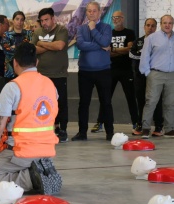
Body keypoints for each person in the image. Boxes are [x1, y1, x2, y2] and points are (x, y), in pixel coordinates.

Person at [0, 42, 62, 195]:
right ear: (37, 62)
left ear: (15, 63)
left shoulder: (13, 87)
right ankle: (36, 171)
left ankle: (29, 178)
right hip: (45, 151)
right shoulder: (51, 85)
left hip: (19, 153)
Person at [72, 1, 114, 141]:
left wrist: (93, 29)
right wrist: (101, 45)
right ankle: (82, 132)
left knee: (106, 102)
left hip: (103, 71)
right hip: (85, 71)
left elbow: (105, 42)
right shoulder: (80, 28)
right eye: (89, 11)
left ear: (100, 12)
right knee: (84, 103)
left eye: (94, 11)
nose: (91, 13)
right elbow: (81, 45)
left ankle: (110, 132)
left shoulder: (107, 27)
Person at [91, 11, 138, 135]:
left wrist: (115, 50)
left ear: (123, 18)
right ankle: (100, 122)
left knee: (131, 97)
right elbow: (107, 52)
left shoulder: (129, 33)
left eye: (118, 17)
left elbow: (130, 49)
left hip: (126, 70)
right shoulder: (109, 33)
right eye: (114, 17)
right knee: (105, 97)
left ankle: (136, 123)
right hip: (110, 69)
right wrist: (121, 50)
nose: (115, 19)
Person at [31, 8, 69, 143]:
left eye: (46, 20)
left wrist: (41, 43)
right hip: (41, 75)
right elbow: (33, 49)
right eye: (41, 21)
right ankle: (45, 128)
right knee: (42, 103)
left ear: (53, 19)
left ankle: (62, 129)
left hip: (59, 74)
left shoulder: (61, 30)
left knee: (61, 103)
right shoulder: (38, 32)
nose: (44, 23)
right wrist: (48, 46)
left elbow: (59, 46)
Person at [139, 15, 174, 138]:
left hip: (172, 75)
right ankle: (146, 128)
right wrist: (147, 72)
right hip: (155, 74)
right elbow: (145, 56)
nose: (167, 25)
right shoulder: (152, 38)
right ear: (161, 24)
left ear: (173, 24)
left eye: (170, 23)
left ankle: (169, 129)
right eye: (165, 22)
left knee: (170, 103)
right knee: (151, 101)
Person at [129, 18, 163, 137]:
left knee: (156, 101)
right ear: (144, 27)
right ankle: (140, 125)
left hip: (155, 76)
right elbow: (132, 54)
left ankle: (159, 126)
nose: (150, 28)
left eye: (153, 26)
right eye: (148, 25)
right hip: (140, 77)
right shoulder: (138, 41)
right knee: (141, 101)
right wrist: (145, 54)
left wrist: (145, 55)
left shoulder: (160, 41)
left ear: (156, 27)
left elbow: (160, 57)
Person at [1, 11, 33, 79]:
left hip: (27, 69)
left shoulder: (29, 33)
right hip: (10, 71)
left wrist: (14, 46)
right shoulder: (6, 35)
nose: (19, 22)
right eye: (17, 19)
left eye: (22, 20)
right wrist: (24, 47)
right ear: (13, 20)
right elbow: (6, 50)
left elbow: (32, 50)